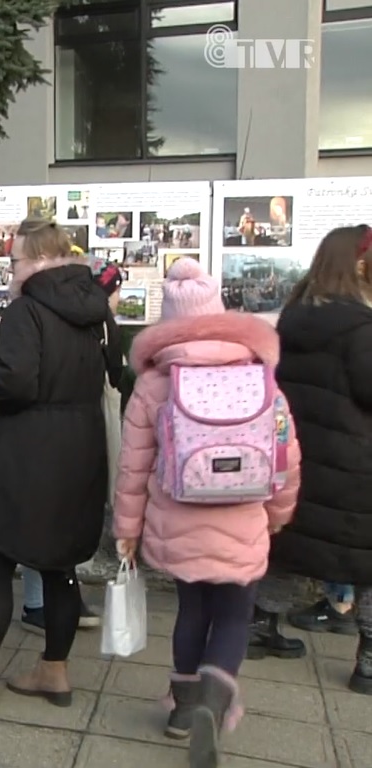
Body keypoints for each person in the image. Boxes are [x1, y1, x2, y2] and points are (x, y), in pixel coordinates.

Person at [113, 259, 301, 765]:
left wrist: (126, 529)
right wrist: (279, 512)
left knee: (192, 610)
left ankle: (183, 708)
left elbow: (133, 466)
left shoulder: (155, 383)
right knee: (235, 615)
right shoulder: (259, 376)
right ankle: (216, 699)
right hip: (244, 517)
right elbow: (284, 456)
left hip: (178, 518)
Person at [0, 218, 119, 713]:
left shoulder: (27, 309)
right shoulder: (99, 310)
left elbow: (16, 381)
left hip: (28, 443)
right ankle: (54, 671)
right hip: (81, 445)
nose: (10, 269)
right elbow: (115, 372)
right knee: (60, 564)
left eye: (15, 259)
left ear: (40, 260)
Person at [267, 224, 372, 695]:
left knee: (286, 548)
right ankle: (369, 659)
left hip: (302, 458)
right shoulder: (363, 328)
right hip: (355, 464)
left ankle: (259, 625)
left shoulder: (293, 316)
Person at [19, 256, 121, 634]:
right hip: (83, 427)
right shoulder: (98, 322)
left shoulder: (48, 313)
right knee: (57, 516)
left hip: (50, 428)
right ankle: (48, 600)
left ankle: (51, 598)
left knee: (46, 515)